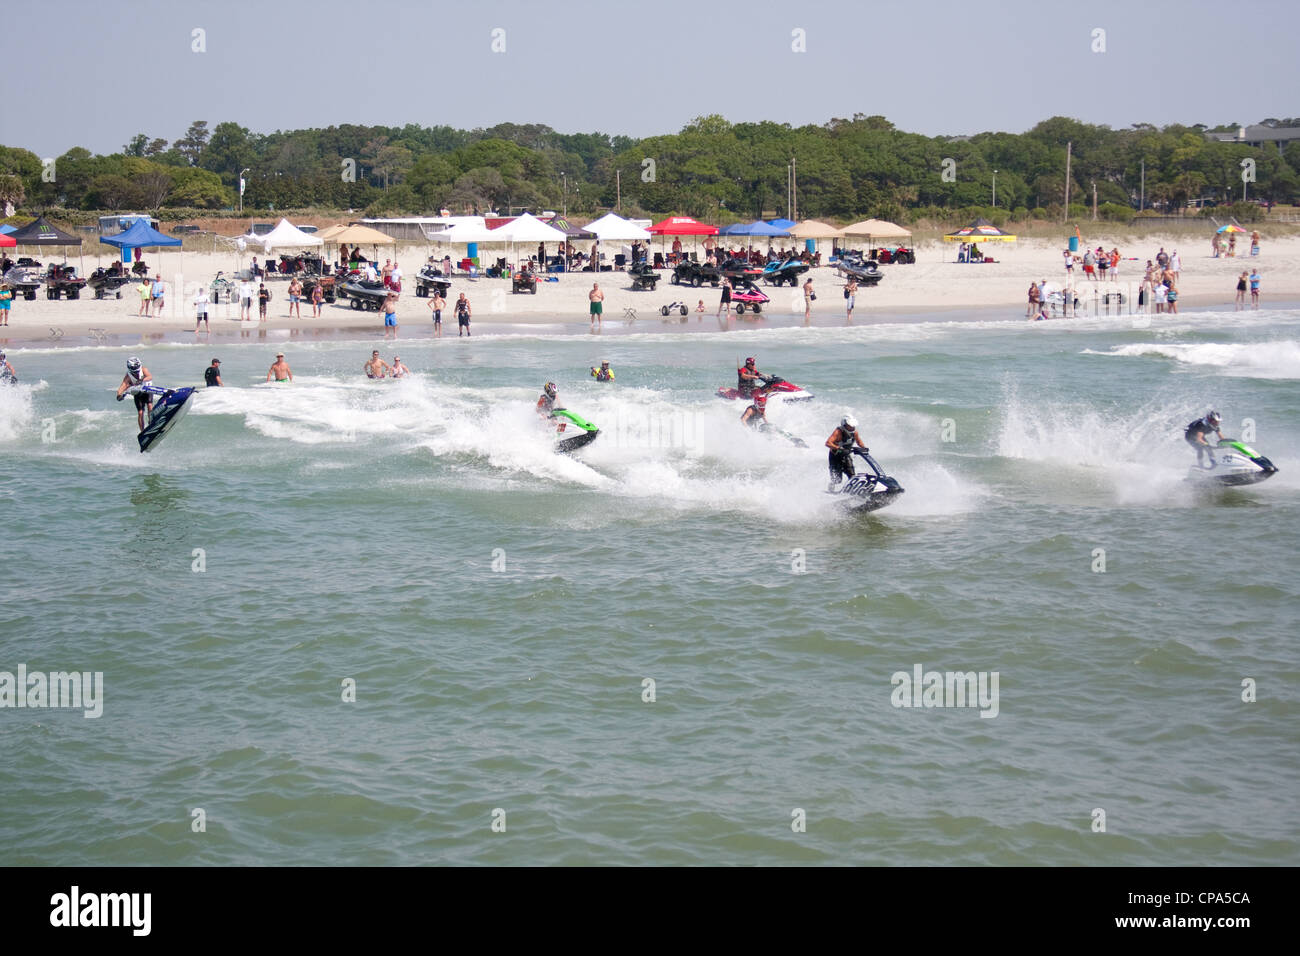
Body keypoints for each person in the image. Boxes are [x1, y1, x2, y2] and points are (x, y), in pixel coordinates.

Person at [825, 414, 865, 492]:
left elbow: (859, 441)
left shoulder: (854, 432)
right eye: (850, 425)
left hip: (846, 456)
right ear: (844, 424)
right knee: (837, 480)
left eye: (853, 426)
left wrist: (863, 448)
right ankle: (830, 491)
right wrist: (838, 448)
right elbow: (828, 443)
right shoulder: (838, 431)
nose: (852, 427)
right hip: (835, 457)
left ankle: (852, 491)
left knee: (852, 476)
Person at [116, 356, 153, 430]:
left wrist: (142, 380)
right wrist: (119, 395)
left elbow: (150, 376)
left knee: (149, 406)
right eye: (133, 368)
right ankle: (142, 432)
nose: (136, 371)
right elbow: (123, 386)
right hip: (138, 394)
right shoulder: (128, 376)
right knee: (140, 413)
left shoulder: (143, 369)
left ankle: (151, 422)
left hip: (147, 390)